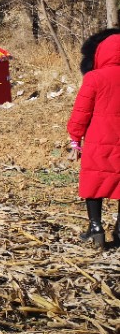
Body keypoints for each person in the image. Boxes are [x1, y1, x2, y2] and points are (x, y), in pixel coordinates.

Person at [68, 30, 120, 248]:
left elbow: (82, 111)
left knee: (94, 181)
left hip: (99, 140)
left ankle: (96, 228)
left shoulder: (94, 78)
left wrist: (74, 138)